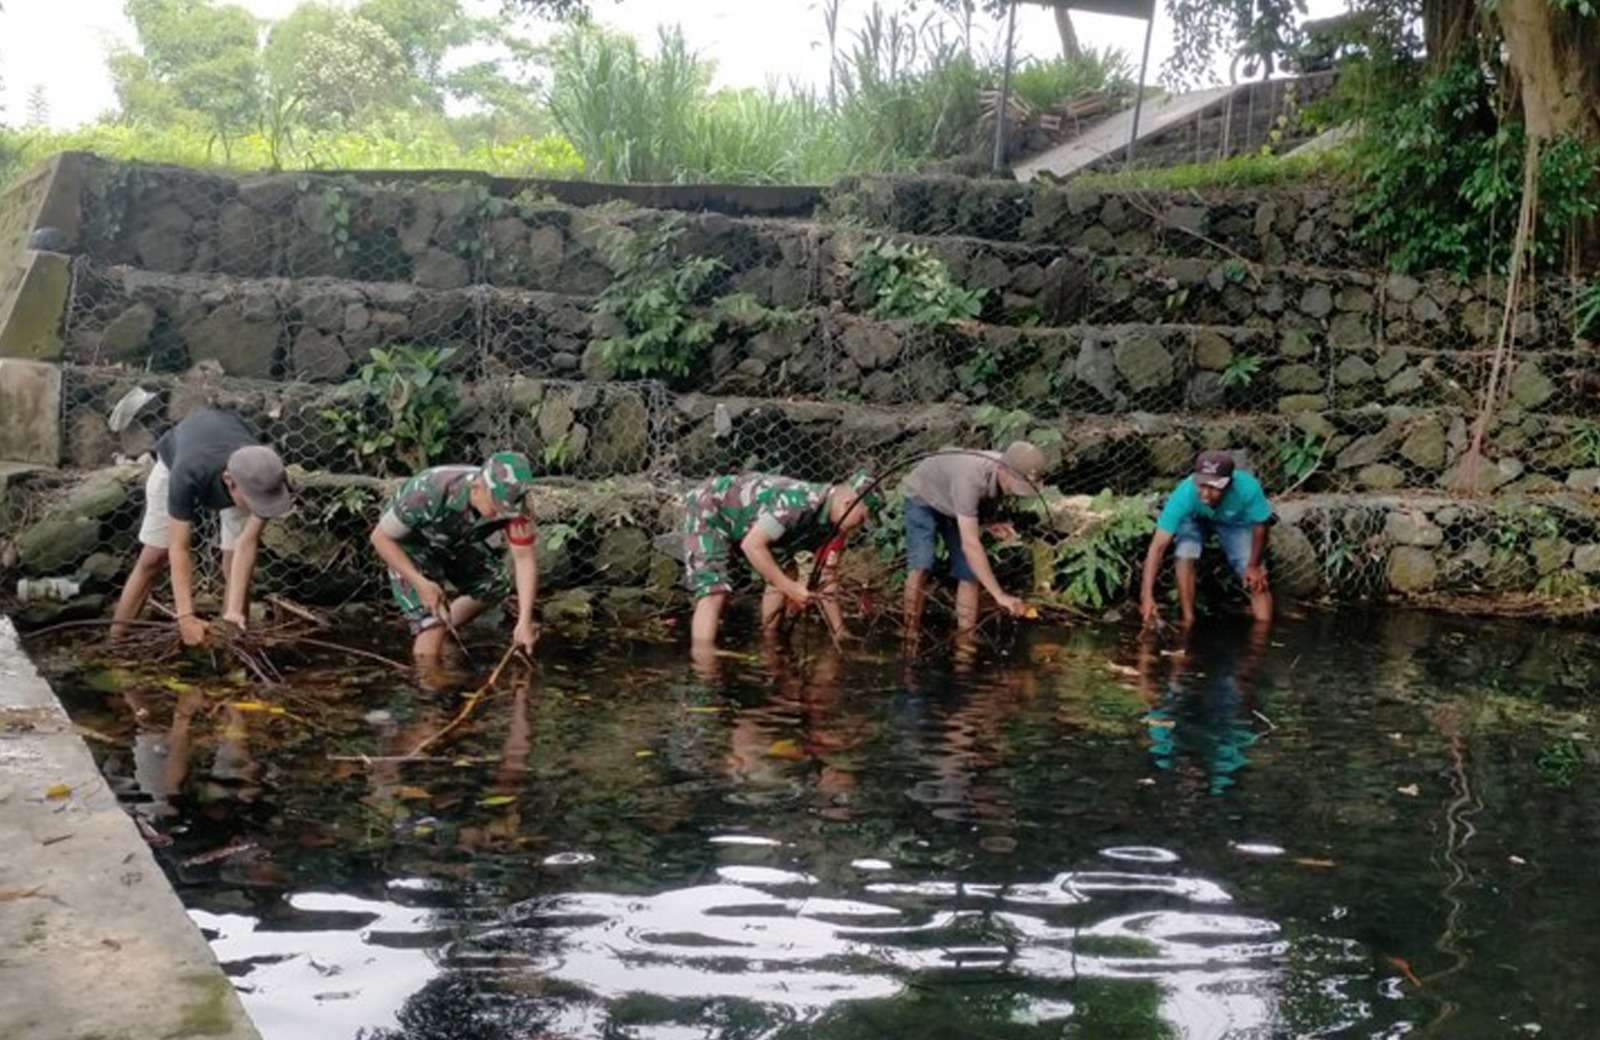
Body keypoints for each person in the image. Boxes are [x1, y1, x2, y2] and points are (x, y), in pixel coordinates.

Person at [111, 408, 293, 645]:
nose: (261, 507)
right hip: (178, 459)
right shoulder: (187, 472)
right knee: (154, 557)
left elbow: (246, 543)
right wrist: (185, 617)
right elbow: (179, 547)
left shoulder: (264, 477)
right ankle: (115, 641)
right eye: (255, 502)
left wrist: (235, 610)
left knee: (233, 561)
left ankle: (232, 641)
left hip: (230, 449)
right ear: (230, 482)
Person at [369, 451, 541, 662]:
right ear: (478, 489)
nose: (503, 515)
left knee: (495, 583)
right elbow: (380, 538)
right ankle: (428, 681)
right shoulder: (428, 489)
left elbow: (524, 559)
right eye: (497, 508)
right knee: (431, 621)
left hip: (454, 540)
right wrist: (420, 583)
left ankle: (444, 630)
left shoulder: (516, 506)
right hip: (409, 544)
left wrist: (524, 621)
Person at [681, 470, 880, 651]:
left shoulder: (834, 524)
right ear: (848, 503)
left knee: (785, 570)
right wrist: (790, 588)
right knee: (714, 592)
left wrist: (839, 631)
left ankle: (769, 640)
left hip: (749, 524)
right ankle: (704, 668)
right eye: (861, 518)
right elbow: (752, 545)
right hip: (711, 510)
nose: (860, 526)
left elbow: (826, 577)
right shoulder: (799, 503)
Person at [901, 442, 1045, 637]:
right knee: (922, 562)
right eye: (1015, 485)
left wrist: (988, 524)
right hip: (923, 495)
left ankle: (966, 639)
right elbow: (971, 545)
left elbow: (976, 506)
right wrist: (999, 595)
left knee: (969, 572)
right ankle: (910, 632)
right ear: (1002, 468)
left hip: (956, 502)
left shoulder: (1006, 469)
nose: (1015, 491)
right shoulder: (971, 478)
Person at [1139, 450, 1273, 628]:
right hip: (1193, 518)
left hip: (1234, 522)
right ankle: (1188, 620)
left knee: (1255, 578)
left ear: (1228, 484)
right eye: (1201, 485)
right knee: (1185, 552)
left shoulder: (1248, 488)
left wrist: (1253, 565)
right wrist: (1146, 596)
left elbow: (1260, 525)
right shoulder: (1185, 493)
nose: (1205, 494)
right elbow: (1157, 547)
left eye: (1213, 488)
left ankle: (1263, 636)